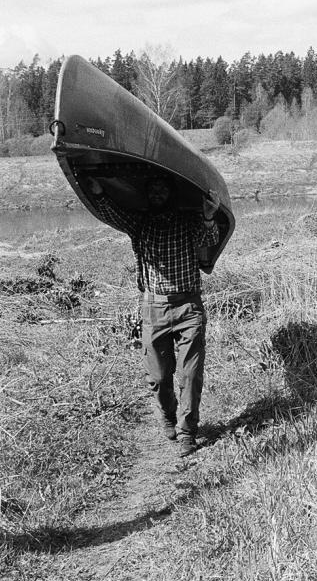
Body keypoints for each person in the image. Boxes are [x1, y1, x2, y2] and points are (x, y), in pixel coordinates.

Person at [86, 175, 220, 458]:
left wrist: (209, 216)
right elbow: (113, 214)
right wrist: (98, 192)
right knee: (159, 377)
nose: (158, 193)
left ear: (170, 193)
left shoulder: (187, 221)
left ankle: (187, 432)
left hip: (188, 309)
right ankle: (168, 415)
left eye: (162, 188)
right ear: (147, 195)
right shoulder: (140, 223)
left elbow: (208, 241)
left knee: (190, 374)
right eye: (153, 188)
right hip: (153, 308)